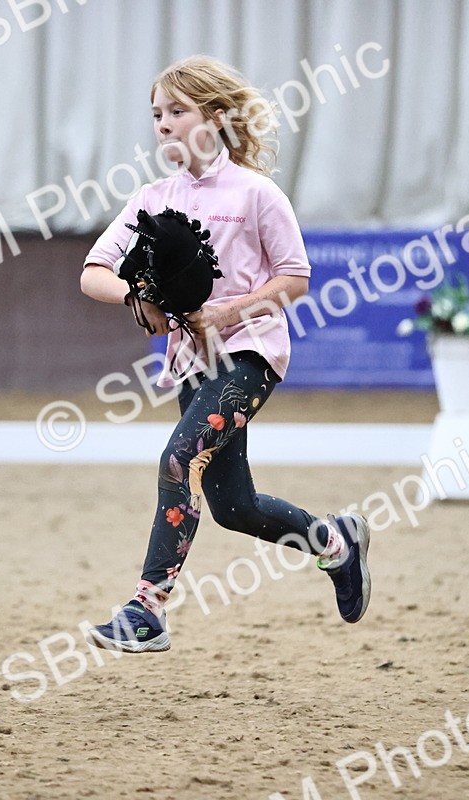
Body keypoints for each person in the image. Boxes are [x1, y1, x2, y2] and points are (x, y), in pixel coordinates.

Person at [79, 56, 371, 653]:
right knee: (234, 507)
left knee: (177, 457)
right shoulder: (153, 198)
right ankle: (335, 543)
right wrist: (137, 298)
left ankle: (147, 609)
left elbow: (295, 279)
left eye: (177, 111)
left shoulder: (258, 193)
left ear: (215, 117)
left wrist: (227, 312)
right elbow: (92, 272)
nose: (162, 124)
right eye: (157, 113)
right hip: (195, 364)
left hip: (249, 356)